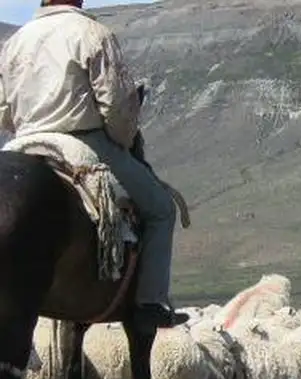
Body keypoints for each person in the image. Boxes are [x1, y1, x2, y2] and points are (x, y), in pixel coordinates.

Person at [0, 0, 187, 329]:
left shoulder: (16, 40)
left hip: (22, 142)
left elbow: (4, 110)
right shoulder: (93, 33)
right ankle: (151, 303)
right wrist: (125, 140)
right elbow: (116, 108)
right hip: (85, 141)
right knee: (161, 209)